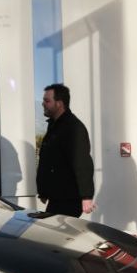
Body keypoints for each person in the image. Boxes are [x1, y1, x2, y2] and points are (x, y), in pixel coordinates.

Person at [36, 83, 95, 217]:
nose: (43, 104)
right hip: (57, 197)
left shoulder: (73, 128)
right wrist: (44, 191)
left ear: (59, 104)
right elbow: (50, 161)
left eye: (47, 100)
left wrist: (86, 197)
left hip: (68, 199)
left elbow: (82, 164)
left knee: (58, 236)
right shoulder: (55, 126)